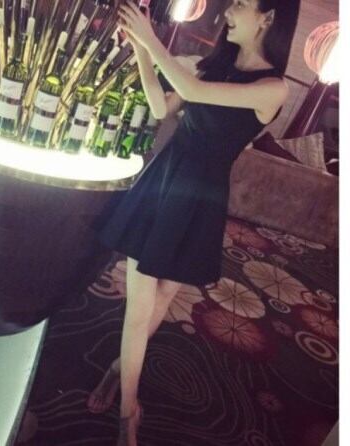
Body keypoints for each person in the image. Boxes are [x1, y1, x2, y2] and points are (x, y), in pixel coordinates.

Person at [87, 0, 301, 444]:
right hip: (165, 183)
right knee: (140, 305)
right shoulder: (211, 66)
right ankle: (129, 411)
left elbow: (193, 90)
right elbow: (161, 107)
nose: (228, 10)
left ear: (267, 18)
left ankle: (120, 367)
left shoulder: (273, 88)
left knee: (165, 293)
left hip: (203, 197)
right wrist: (142, 50)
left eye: (240, 3)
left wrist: (152, 39)